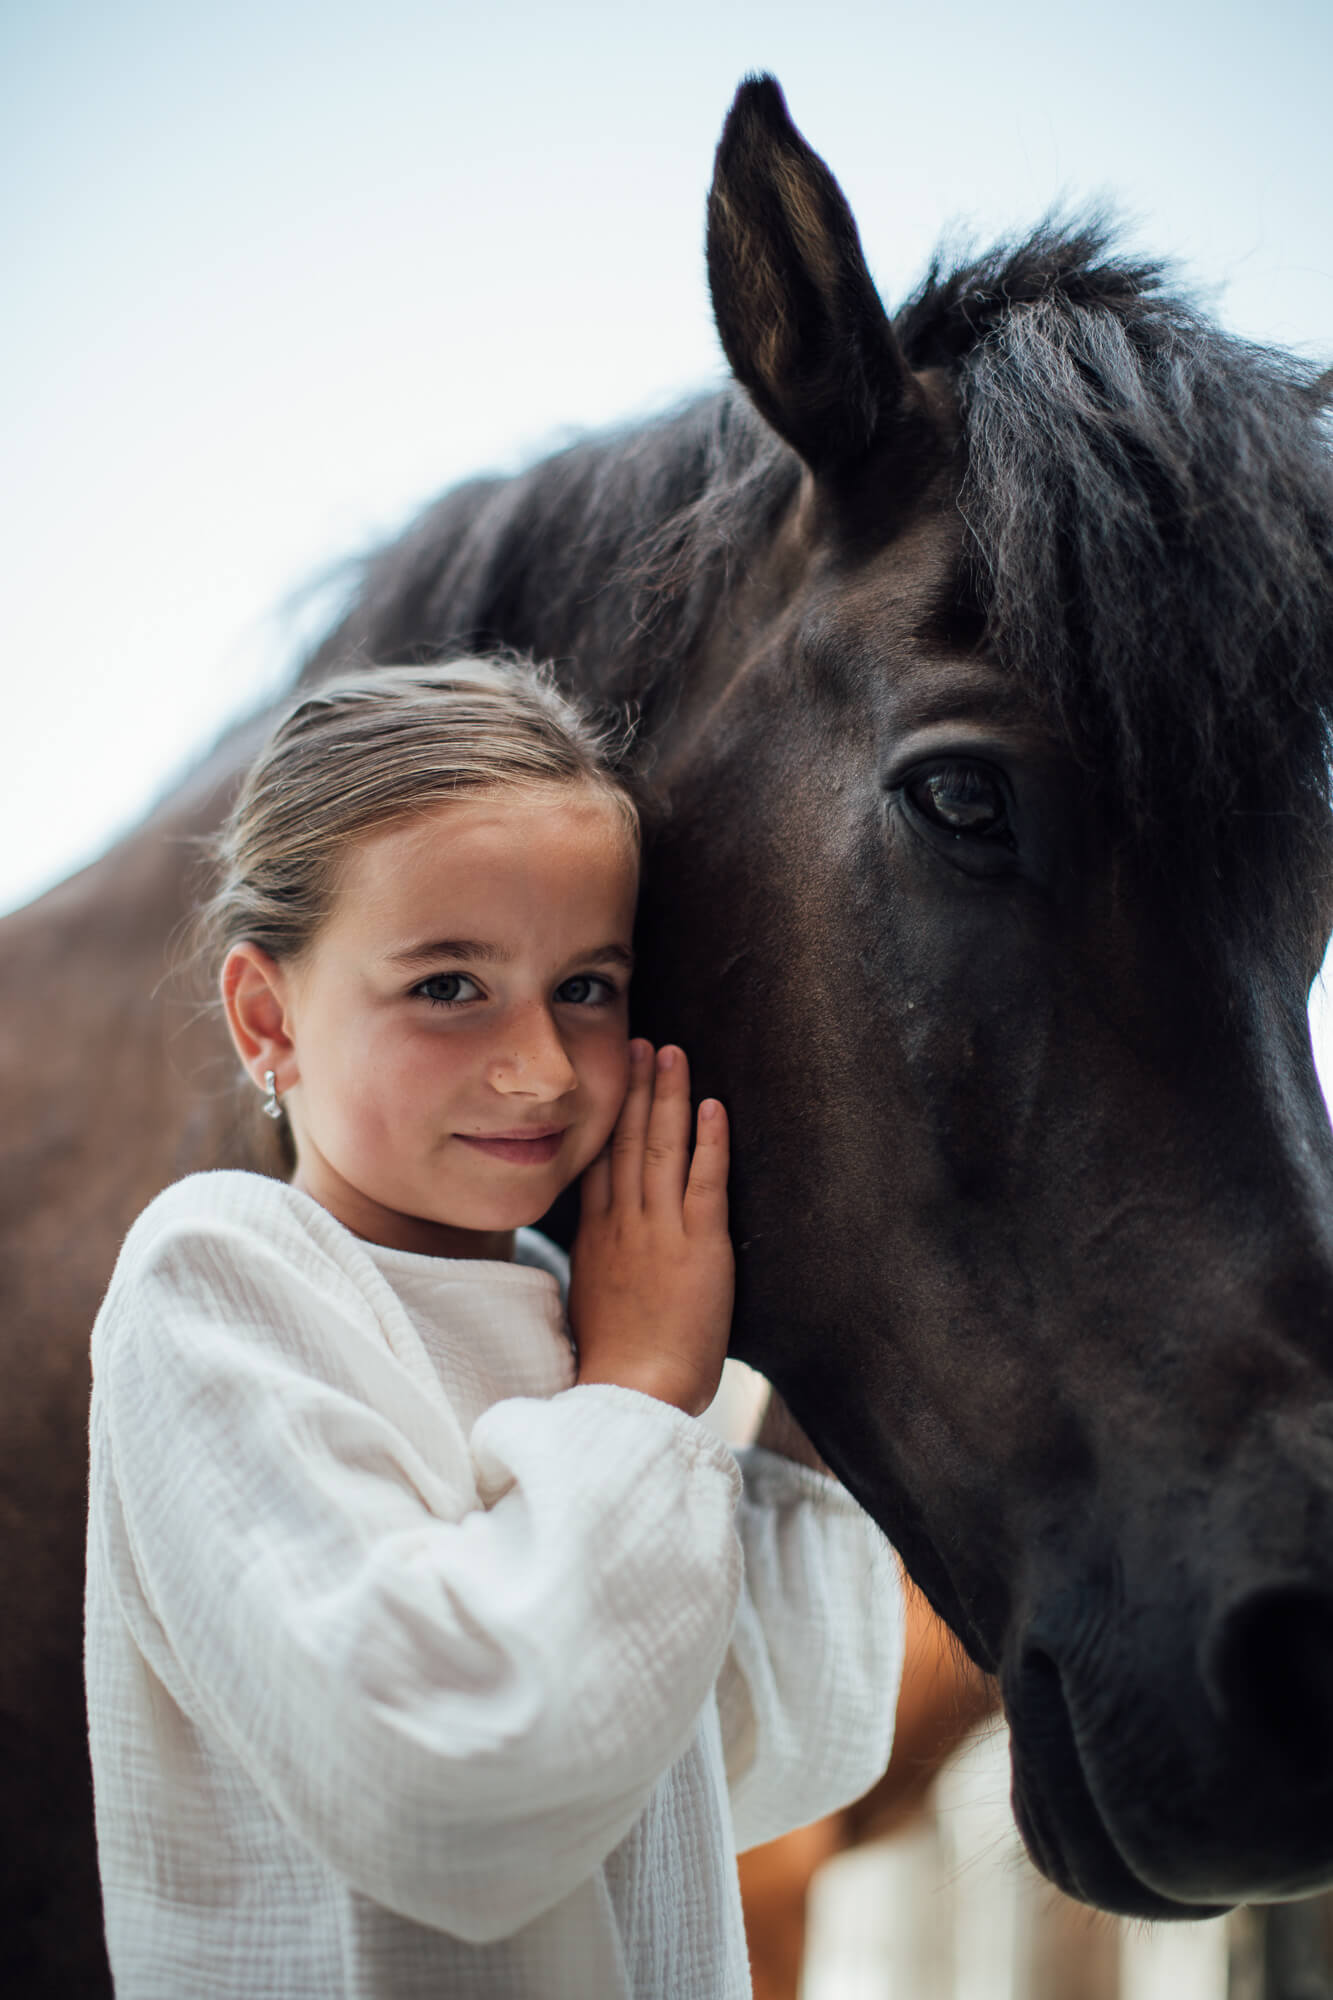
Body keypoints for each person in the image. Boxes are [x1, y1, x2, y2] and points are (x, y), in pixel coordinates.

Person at [85, 658, 904, 2000]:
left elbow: (741, 1750)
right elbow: (452, 1793)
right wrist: (639, 1390)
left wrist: (807, 1342)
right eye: (448, 987)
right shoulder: (221, 1276)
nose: (536, 1067)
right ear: (265, 1015)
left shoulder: (573, 1295)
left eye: (586, 986)